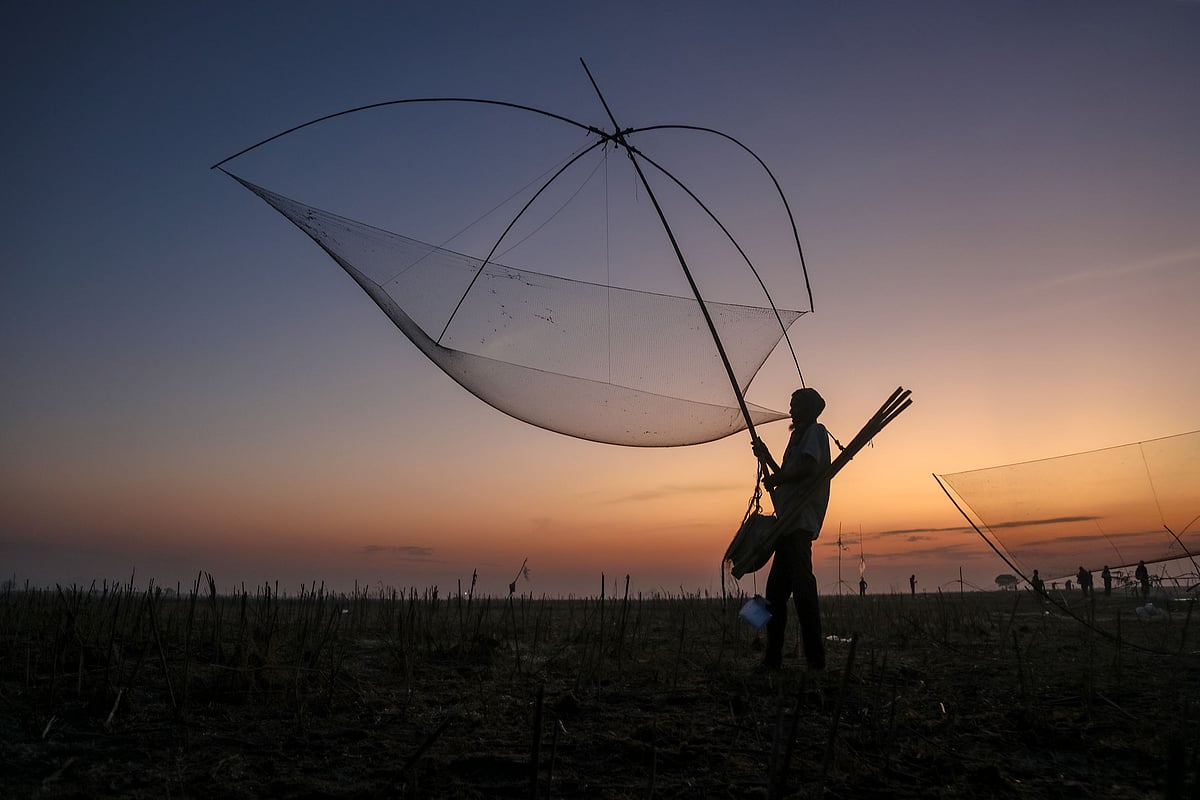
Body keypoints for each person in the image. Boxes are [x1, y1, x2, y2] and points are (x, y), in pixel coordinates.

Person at [751, 387, 831, 672]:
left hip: (799, 522)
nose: (791, 410)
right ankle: (773, 657)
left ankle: (815, 659)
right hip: (787, 523)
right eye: (791, 405)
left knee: (803, 588)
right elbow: (786, 476)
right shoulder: (797, 437)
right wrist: (767, 457)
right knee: (775, 594)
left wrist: (779, 479)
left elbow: (808, 470)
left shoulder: (815, 432)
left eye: (796, 405)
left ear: (810, 410)